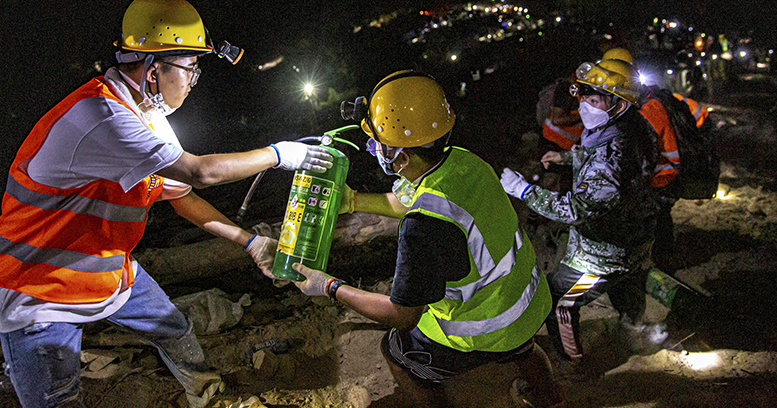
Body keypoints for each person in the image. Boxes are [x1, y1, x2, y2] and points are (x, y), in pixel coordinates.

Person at [0, 0, 333, 408]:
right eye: (189, 69)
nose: (192, 81)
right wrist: (279, 155)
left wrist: (250, 243)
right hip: (39, 294)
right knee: (58, 399)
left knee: (175, 329)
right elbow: (200, 172)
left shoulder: (147, 117)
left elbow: (183, 197)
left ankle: (208, 396)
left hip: (108, 271)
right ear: (153, 70)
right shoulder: (102, 118)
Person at [290, 71, 563, 408]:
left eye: (379, 143)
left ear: (401, 157)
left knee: (396, 352)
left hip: (489, 328)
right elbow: (417, 201)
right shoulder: (466, 161)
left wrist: (329, 285)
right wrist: (354, 200)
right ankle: (550, 399)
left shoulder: (423, 228)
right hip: (529, 301)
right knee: (525, 348)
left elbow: (402, 315)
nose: (373, 147)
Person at [501, 58, 657, 367]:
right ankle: (630, 328)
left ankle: (574, 364)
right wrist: (567, 158)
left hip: (604, 253)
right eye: (583, 94)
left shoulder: (608, 156)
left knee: (557, 300)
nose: (585, 103)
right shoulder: (636, 128)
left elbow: (575, 209)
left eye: (595, 97)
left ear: (619, 104)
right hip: (637, 234)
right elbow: (615, 162)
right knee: (630, 285)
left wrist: (523, 190)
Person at [603, 47, 681, 271]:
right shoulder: (631, 101)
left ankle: (663, 265)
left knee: (657, 218)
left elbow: (643, 153)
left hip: (661, 175)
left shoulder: (647, 108)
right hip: (654, 174)